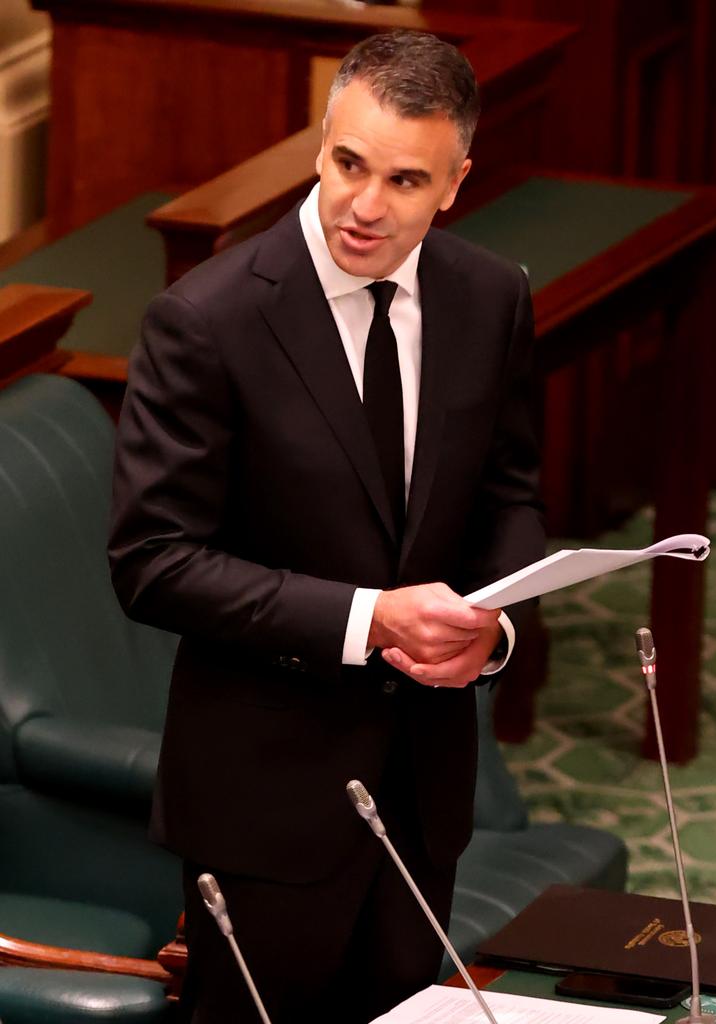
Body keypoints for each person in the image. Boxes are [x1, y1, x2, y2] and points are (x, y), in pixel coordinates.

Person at [109, 28, 545, 1024]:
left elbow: (511, 494)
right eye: (348, 163)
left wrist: (499, 624)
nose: (363, 204)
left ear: (454, 182)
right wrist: (369, 617)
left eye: (403, 179)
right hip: (264, 801)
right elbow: (152, 561)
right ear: (322, 144)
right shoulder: (206, 321)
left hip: (425, 786)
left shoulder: (491, 298)